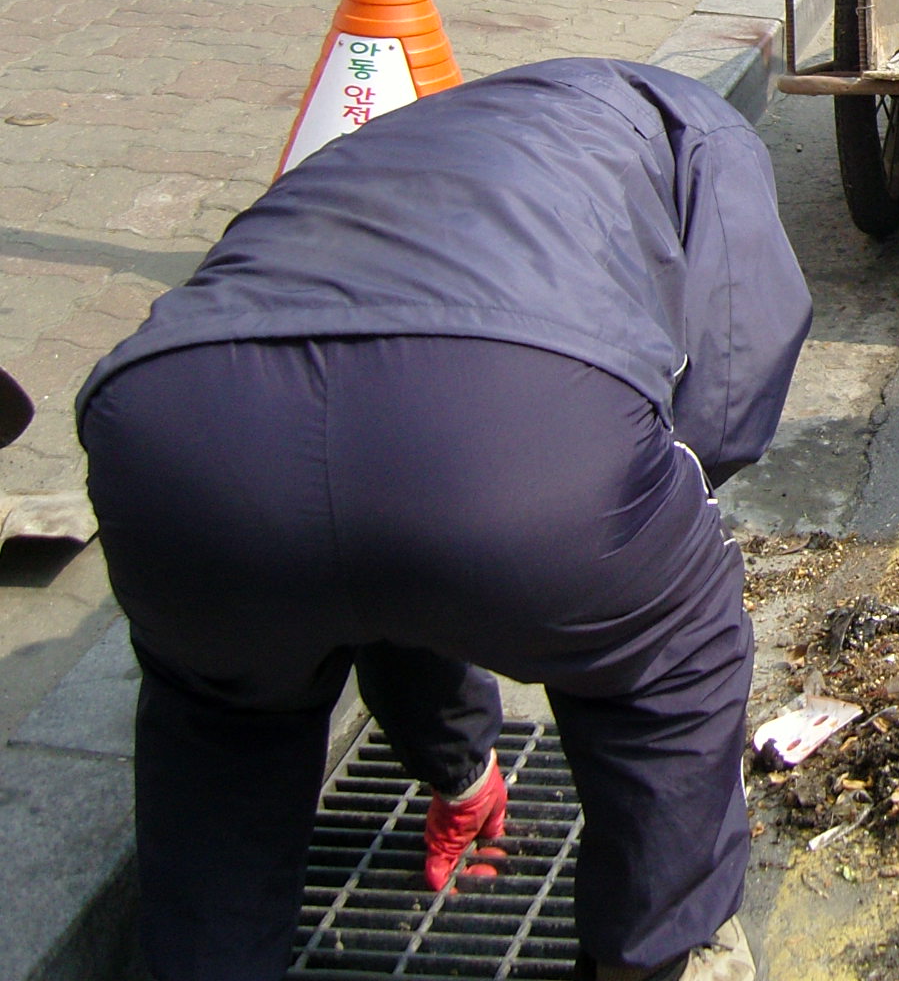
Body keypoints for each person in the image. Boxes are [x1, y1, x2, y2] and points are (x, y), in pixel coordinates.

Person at [77, 60, 812, 979]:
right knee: (675, 654)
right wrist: (657, 506)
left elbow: (374, 540)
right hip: (509, 430)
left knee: (224, 731)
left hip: (173, 431)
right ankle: (665, 958)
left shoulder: (386, 148)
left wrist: (456, 762)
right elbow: (738, 362)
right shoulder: (699, 129)